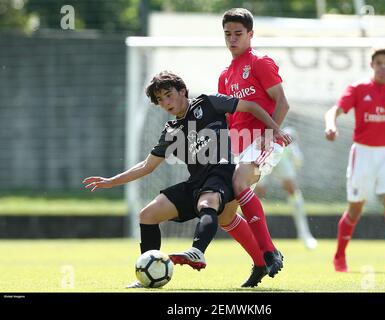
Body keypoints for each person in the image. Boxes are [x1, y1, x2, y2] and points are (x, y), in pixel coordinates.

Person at [82, 71, 290, 288]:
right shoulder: (171, 130)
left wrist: (274, 130)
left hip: (221, 173)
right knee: (148, 215)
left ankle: (197, 252)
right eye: (160, 100)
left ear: (182, 91)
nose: (165, 102)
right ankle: (148, 272)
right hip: (196, 182)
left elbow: (251, 107)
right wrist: (112, 181)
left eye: (168, 95)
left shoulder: (208, 103)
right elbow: (147, 165)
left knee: (207, 204)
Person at [324, 47, 385, 273]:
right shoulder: (358, 88)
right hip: (363, 153)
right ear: (372, 65)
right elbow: (334, 111)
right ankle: (339, 255)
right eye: (379, 62)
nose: (383, 66)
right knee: (355, 209)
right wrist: (331, 126)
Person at [217, 7, 291, 278]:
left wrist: (270, 134)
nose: (232, 39)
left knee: (239, 181)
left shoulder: (260, 62)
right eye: (228, 34)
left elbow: (283, 102)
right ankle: (260, 262)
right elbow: (228, 119)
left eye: (238, 33)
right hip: (239, 145)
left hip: (263, 141)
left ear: (250, 34)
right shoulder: (225, 76)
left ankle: (270, 251)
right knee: (223, 215)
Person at [255, 126, 318, 250]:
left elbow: (298, 160)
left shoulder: (287, 136)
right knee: (257, 193)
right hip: (259, 149)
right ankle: (255, 234)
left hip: (278, 149)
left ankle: (305, 234)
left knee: (291, 188)